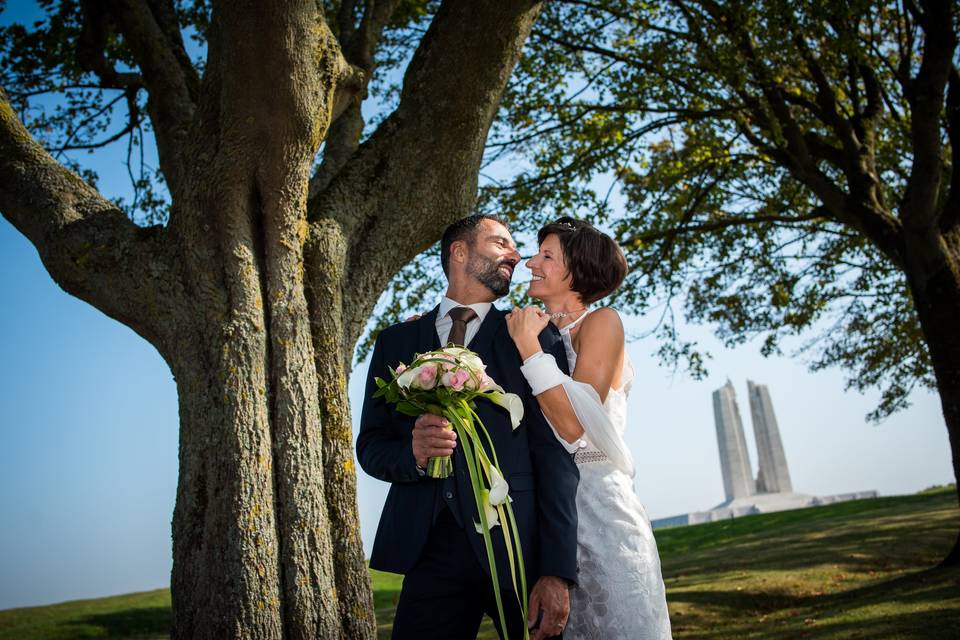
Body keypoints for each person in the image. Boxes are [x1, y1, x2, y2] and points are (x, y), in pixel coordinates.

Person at [357, 214, 580, 640]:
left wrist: (556, 571)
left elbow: (556, 454)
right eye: (501, 244)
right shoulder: (396, 342)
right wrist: (413, 454)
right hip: (430, 550)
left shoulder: (532, 335)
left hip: (520, 549)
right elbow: (370, 446)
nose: (516, 255)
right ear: (459, 252)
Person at [506, 216, 673, 640]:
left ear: (577, 270)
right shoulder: (532, 330)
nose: (530, 263)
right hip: (549, 523)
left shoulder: (603, 323)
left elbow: (574, 425)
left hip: (606, 517)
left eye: (546, 256)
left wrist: (527, 346)